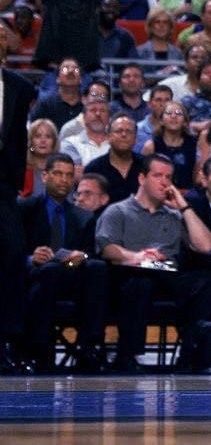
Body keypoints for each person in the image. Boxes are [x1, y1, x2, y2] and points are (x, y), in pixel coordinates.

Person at [96, 155, 211, 373]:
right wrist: (138, 257)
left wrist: (184, 207)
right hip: (130, 273)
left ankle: (191, 355)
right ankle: (127, 356)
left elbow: (204, 246)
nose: (164, 182)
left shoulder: (174, 215)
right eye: (158, 176)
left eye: (168, 177)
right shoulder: (118, 211)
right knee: (140, 282)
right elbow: (107, 248)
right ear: (142, 179)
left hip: (167, 273)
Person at [18, 151, 107, 372]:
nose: (64, 180)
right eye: (58, 174)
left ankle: (90, 348)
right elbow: (10, 252)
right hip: (36, 276)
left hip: (71, 272)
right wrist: (30, 258)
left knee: (97, 268)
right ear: (45, 176)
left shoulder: (83, 217)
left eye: (69, 175)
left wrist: (80, 257)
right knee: (49, 271)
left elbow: (91, 253)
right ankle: (39, 351)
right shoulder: (25, 210)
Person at [0, 35, 34, 372]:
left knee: (12, 255)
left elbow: (19, 139)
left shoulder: (20, 87)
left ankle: (7, 341)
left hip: (3, 186)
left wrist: (14, 182)